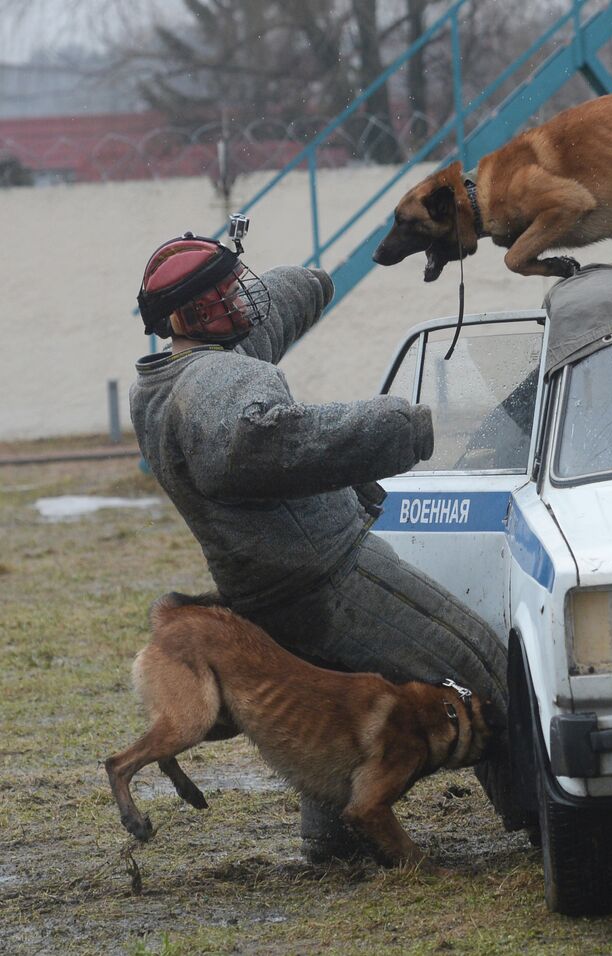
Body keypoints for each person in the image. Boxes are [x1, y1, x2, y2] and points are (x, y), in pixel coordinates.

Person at [128, 231, 519, 863]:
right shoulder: (217, 388)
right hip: (327, 577)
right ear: (198, 313)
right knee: (481, 667)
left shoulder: (170, 381)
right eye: (229, 290)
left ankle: (331, 839)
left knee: (333, 697)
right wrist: (396, 426)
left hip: (268, 586)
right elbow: (268, 441)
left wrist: (315, 283)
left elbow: (267, 318)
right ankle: (542, 811)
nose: (244, 296)